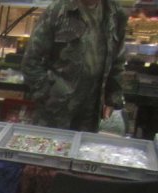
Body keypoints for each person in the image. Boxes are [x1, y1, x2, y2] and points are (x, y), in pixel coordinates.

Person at [21, 0, 128, 132]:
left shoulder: (115, 13)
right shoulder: (58, 10)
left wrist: (112, 98)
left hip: (91, 109)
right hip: (55, 110)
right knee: (52, 143)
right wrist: (47, 94)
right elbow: (31, 61)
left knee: (83, 144)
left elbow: (117, 60)